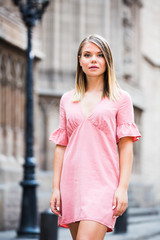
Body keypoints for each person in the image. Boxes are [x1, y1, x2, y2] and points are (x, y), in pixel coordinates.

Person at [49, 34, 141, 240]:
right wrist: (55, 188)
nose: (93, 60)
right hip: (71, 183)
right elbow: (61, 146)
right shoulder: (67, 99)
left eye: (100, 55)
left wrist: (122, 188)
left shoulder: (121, 98)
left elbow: (126, 146)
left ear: (107, 61)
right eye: (87, 55)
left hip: (103, 183)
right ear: (79, 61)